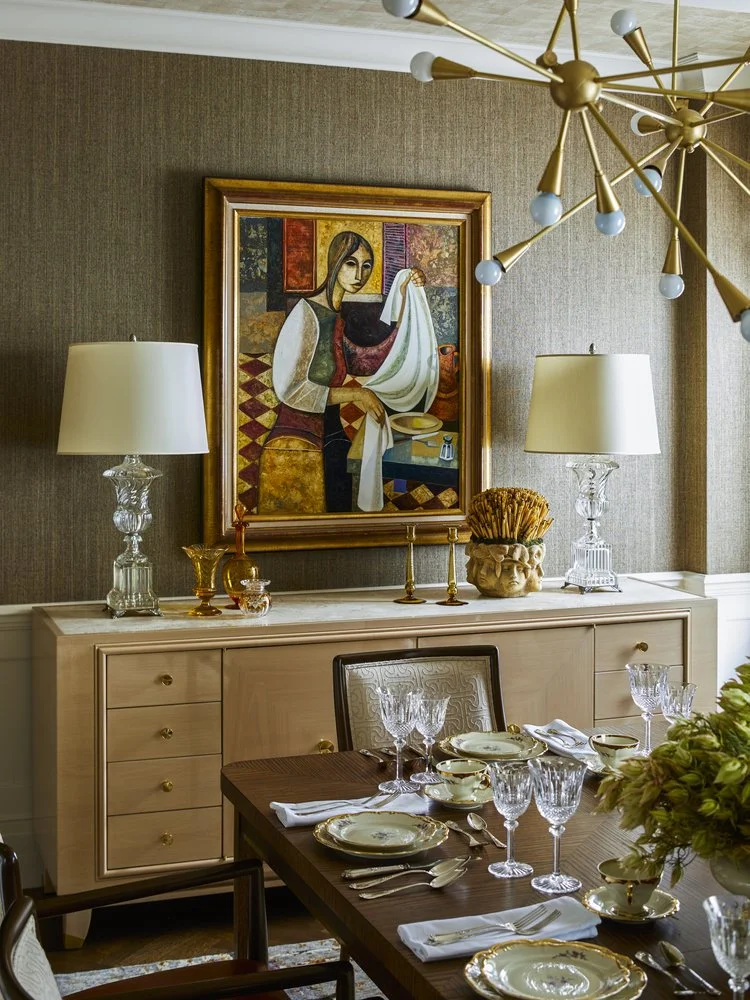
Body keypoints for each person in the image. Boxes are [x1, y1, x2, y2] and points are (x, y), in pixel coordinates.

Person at [258, 230, 435, 514]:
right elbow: (290, 389)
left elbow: (367, 360)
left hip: (333, 437)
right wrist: (357, 394)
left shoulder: (335, 316)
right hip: (297, 440)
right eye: (351, 263)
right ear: (335, 263)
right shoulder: (306, 314)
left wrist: (406, 297)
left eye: (366, 266)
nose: (359, 274)